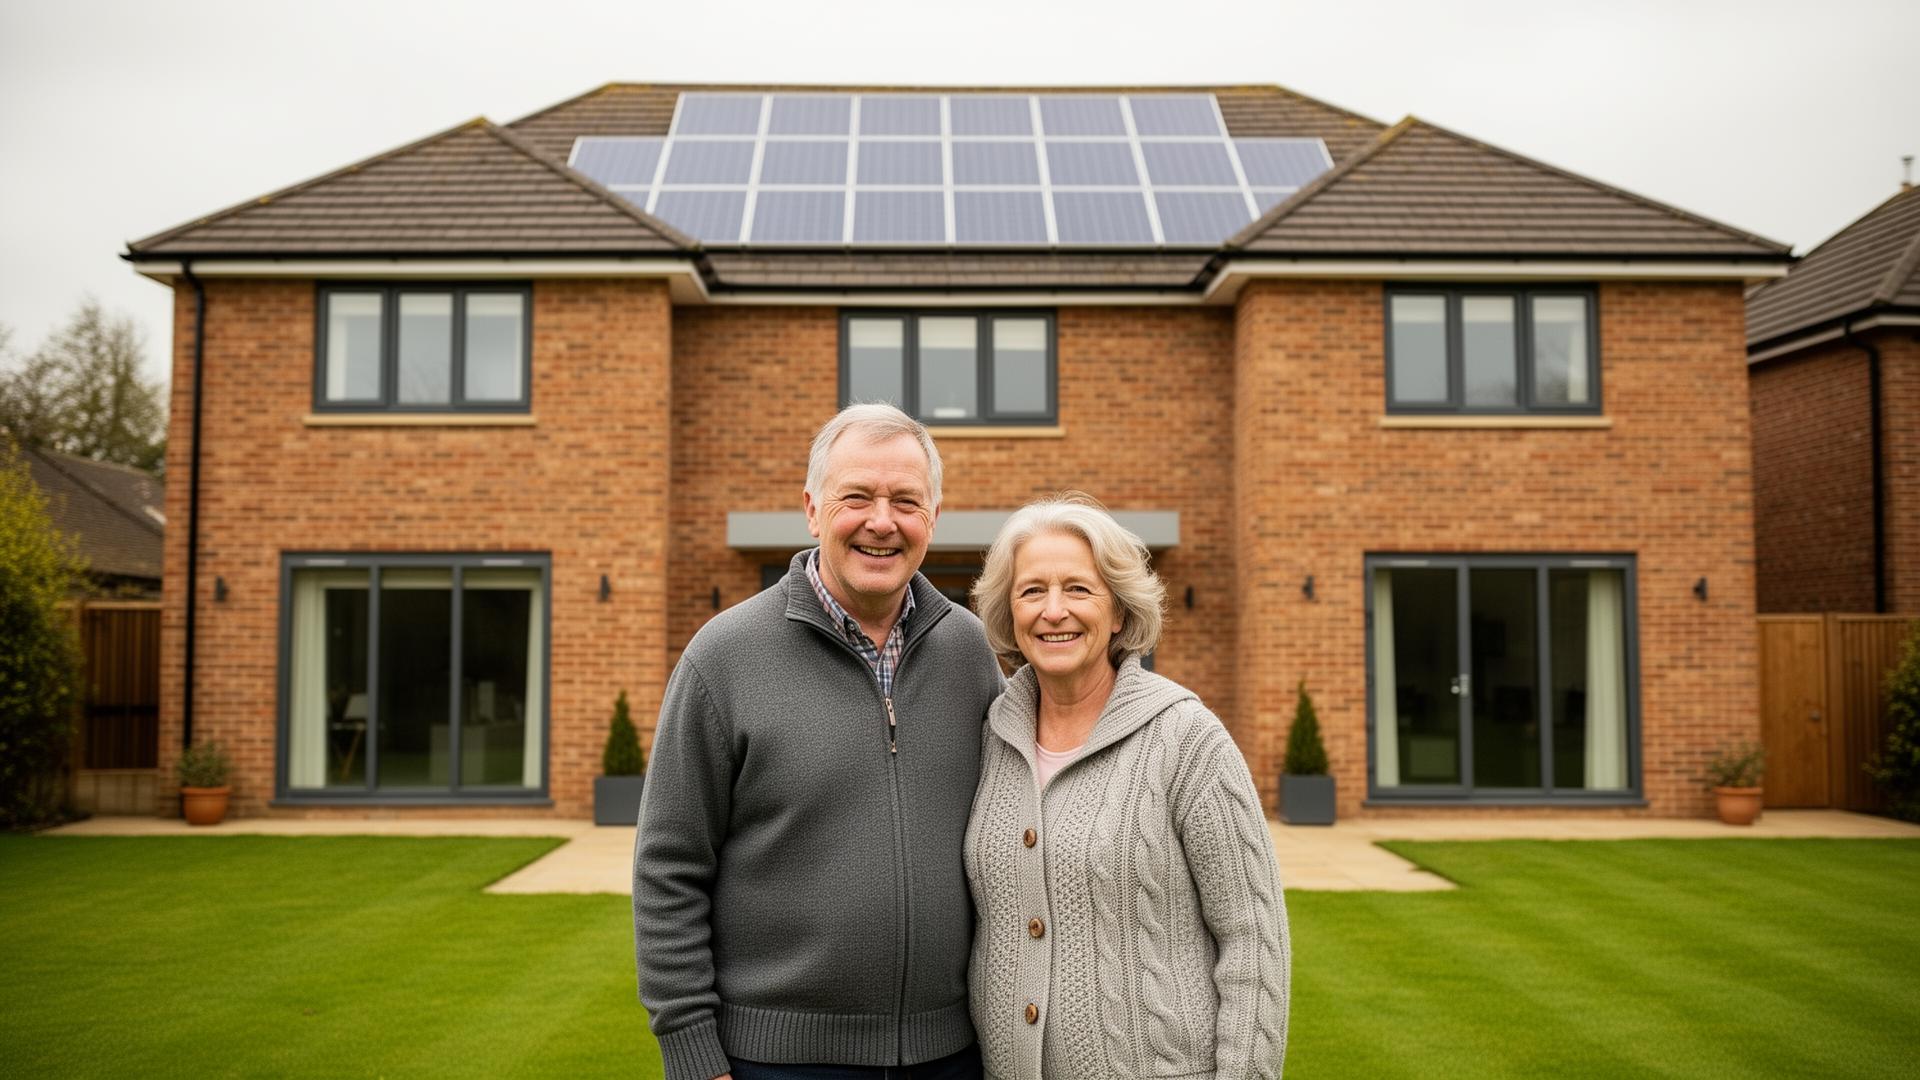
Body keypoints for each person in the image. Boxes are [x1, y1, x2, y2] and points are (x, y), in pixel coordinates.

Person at [633, 403, 1004, 1080]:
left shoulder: (970, 652)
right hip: (775, 1061)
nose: (882, 521)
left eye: (906, 501)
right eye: (856, 496)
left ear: (934, 520)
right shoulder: (724, 656)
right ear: (811, 509)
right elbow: (668, 865)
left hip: (949, 1055)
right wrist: (692, 1053)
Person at [964, 495, 1290, 1080]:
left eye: (1079, 590)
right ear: (1009, 612)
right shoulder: (988, 735)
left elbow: (1253, 942)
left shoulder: (1186, 739)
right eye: (1032, 591)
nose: (1053, 611)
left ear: (1118, 612)